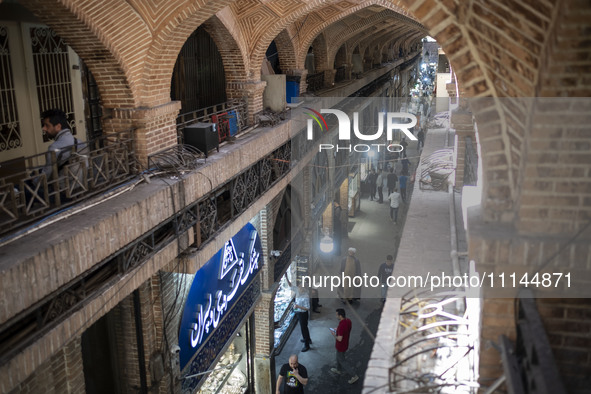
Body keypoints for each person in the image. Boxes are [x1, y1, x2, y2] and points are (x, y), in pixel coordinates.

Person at [330, 309, 359, 384]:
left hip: (341, 346)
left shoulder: (342, 325)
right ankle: (338, 369)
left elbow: (339, 338)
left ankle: (354, 375)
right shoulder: (348, 321)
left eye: (337, 315)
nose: (336, 316)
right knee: (338, 357)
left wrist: (334, 334)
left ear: (340, 315)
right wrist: (338, 330)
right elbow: (345, 331)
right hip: (345, 343)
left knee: (342, 361)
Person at [285, 275, 312, 351]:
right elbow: (291, 285)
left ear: (303, 288)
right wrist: (286, 277)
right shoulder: (297, 290)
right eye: (299, 286)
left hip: (303, 314)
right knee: (304, 327)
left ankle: (306, 344)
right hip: (299, 312)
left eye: (300, 286)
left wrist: (298, 306)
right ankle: (308, 339)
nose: (298, 287)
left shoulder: (306, 296)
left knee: (304, 328)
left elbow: (308, 308)